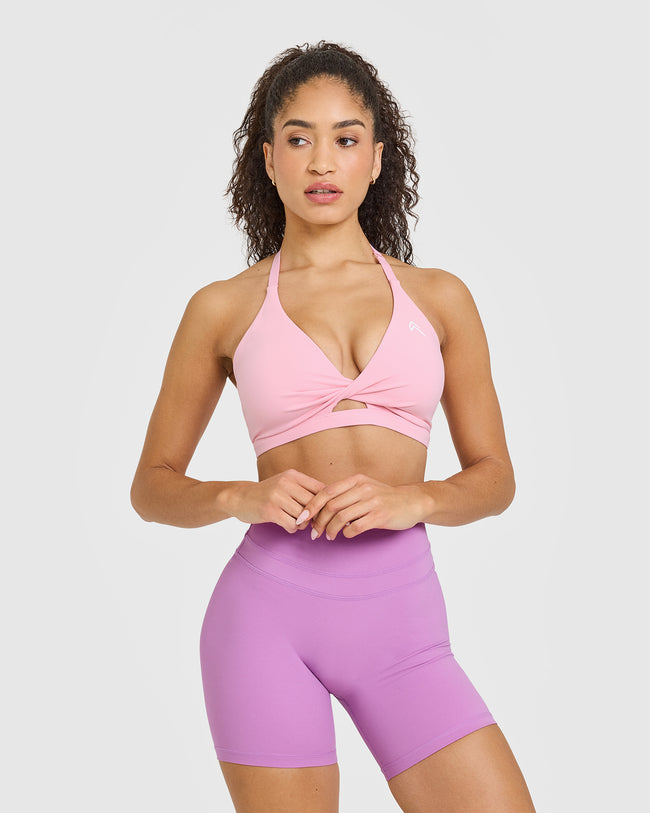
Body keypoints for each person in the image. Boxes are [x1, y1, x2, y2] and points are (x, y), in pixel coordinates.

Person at [131, 41, 536, 813]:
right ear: (269, 158)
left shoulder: (440, 298)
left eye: (346, 138)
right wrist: (238, 496)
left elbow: (495, 477)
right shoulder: (222, 308)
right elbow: (152, 487)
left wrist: (414, 499)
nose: (322, 161)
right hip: (265, 624)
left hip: (404, 633)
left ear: (377, 159)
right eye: (299, 138)